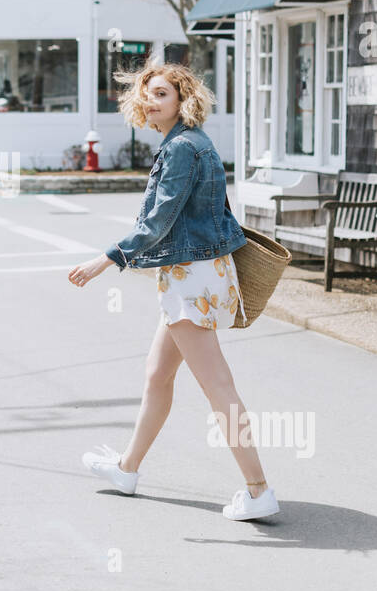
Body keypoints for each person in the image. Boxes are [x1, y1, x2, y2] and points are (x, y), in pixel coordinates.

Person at [66, 58, 279, 522]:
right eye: (147, 92)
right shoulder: (191, 144)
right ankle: (127, 468)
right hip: (195, 274)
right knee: (157, 375)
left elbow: (158, 221)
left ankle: (258, 489)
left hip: (192, 279)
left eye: (162, 92)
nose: (150, 99)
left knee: (218, 385)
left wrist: (106, 258)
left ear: (185, 100)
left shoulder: (183, 147)